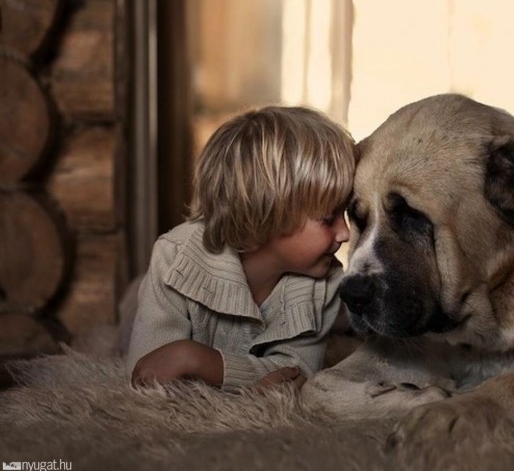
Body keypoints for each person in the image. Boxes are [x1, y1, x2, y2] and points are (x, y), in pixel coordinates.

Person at [126, 105, 355, 392]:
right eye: (329, 218)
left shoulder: (325, 282)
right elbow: (148, 373)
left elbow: (295, 377)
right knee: (129, 313)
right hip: (154, 293)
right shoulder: (175, 257)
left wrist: (194, 359)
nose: (345, 233)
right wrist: (254, 381)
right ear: (267, 214)